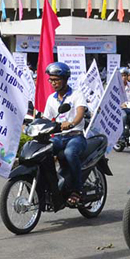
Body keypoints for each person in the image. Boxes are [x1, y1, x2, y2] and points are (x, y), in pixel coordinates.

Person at [43, 62, 87, 206]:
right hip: (58, 137)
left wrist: (72, 123)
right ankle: (50, 184)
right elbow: (46, 119)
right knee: (42, 152)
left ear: (65, 79)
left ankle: (77, 189)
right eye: (51, 80)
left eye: (56, 80)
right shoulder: (51, 98)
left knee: (69, 153)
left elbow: (80, 112)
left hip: (75, 135)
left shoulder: (76, 95)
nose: (53, 83)